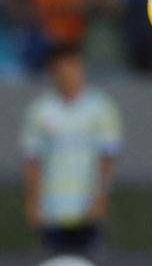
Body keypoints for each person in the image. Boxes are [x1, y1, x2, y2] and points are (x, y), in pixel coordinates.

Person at [21, 44, 122, 254]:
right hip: (52, 209)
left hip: (87, 208)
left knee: (89, 265)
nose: (69, 75)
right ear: (53, 72)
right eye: (62, 69)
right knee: (53, 265)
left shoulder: (100, 108)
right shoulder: (41, 110)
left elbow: (108, 156)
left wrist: (100, 197)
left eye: (73, 68)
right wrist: (33, 202)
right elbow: (32, 160)